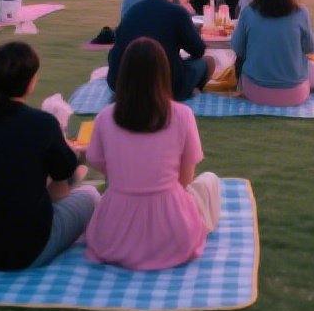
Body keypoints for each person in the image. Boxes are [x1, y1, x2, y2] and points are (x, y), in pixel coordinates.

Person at [0, 42, 99, 270]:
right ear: (30, 80)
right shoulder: (42, 124)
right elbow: (66, 171)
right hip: (26, 250)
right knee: (89, 194)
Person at [85, 37, 220, 268]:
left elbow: (99, 163)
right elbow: (185, 180)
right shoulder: (182, 115)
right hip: (172, 233)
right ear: (163, 74)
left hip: (114, 234)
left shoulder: (105, 117)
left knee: (88, 193)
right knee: (209, 182)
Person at [108, 0, 215, 101]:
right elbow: (198, 50)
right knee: (207, 62)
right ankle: (188, 90)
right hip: (165, 87)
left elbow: (115, 50)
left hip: (122, 84)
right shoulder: (177, 13)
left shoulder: (133, 11)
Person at [231, 0, 314, 106]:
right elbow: (312, 48)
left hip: (255, 91)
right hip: (295, 94)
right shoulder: (301, 13)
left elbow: (237, 47)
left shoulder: (248, 12)